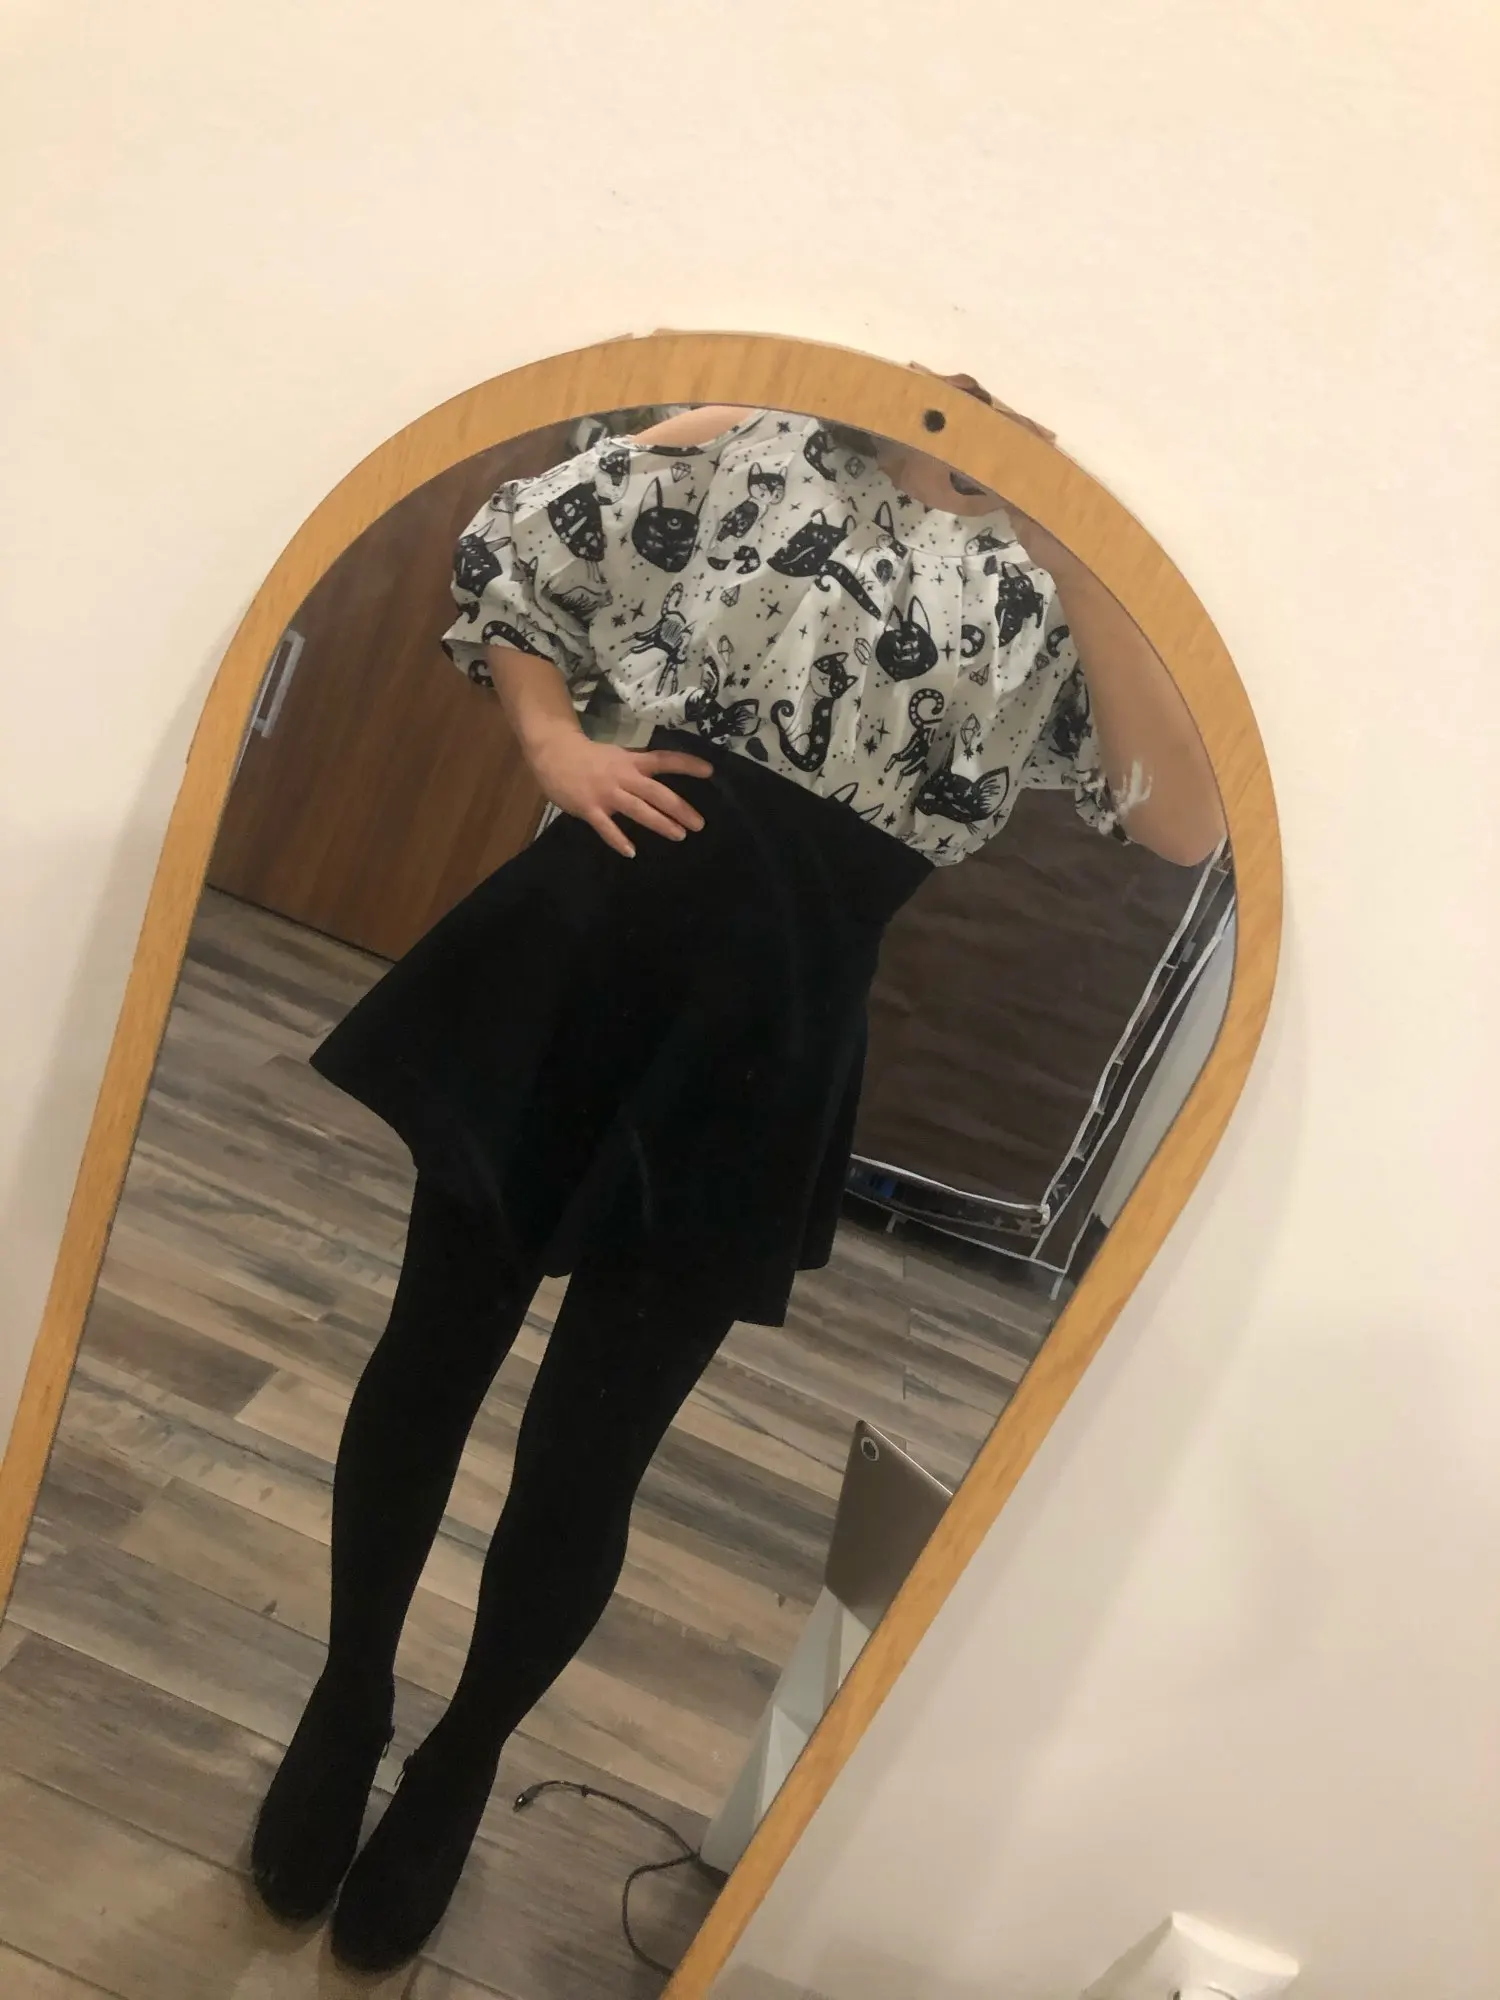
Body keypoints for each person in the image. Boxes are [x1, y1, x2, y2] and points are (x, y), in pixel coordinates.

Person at [248, 376, 1225, 1972]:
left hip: (774, 1036)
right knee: (430, 1358)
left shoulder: (1072, 576)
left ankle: (462, 1757)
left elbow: (1179, 826)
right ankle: (348, 1695)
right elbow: (517, 550)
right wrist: (550, 740)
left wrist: (1078, 542)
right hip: (584, 953)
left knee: (592, 1456)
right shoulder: (756, 432)